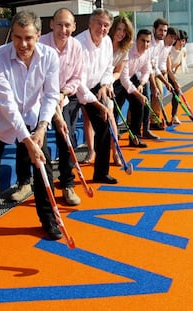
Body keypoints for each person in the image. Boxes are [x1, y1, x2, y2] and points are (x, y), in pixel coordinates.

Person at [0, 11, 63, 240]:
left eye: (28, 38)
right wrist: (27, 139)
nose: (22, 44)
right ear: (11, 35)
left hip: (33, 116)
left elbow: (51, 95)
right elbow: (7, 104)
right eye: (17, 37)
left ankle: (48, 218)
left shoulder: (50, 56)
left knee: (43, 164)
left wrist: (41, 129)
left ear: (39, 36)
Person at [10, 8, 84, 206]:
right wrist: (50, 102)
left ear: (74, 27)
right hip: (36, 98)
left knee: (66, 136)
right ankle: (24, 182)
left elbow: (77, 78)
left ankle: (67, 184)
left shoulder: (77, 47)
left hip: (62, 97)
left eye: (68, 25)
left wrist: (63, 94)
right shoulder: (39, 43)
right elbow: (32, 78)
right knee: (26, 137)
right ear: (51, 24)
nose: (63, 29)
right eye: (59, 24)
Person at [74, 8, 118, 184]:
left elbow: (109, 68)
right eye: (99, 23)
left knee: (103, 128)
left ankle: (101, 173)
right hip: (70, 89)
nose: (102, 28)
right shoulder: (78, 44)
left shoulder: (107, 41)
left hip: (92, 87)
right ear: (90, 23)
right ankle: (66, 180)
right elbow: (78, 81)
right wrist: (98, 104)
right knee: (67, 135)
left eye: (106, 25)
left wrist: (106, 84)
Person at [118, 29, 153, 148]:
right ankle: (112, 137)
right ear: (136, 40)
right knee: (115, 109)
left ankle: (135, 137)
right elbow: (123, 79)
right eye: (143, 41)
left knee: (138, 104)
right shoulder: (128, 51)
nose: (145, 44)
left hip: (130, 77)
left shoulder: (147, 52)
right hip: (117, 79)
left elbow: (146, 70)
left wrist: (141, 84)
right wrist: (138, 93)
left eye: (148, 42)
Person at [109, 15, 134, 162]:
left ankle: (115, 152)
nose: (121, 33)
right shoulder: (104, 43)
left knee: (111, 116)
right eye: (118, 29)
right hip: (91, 82)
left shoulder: (124, 49)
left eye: (124, 30)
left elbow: (118, 72)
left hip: (109, 82)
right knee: (88, 120)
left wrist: (109, 81)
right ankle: (91, 151)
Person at [146, 17, 173, 136]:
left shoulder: (160, 43)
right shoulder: (148, 42)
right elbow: (147, 66)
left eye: (165, 31)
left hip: (151, 71)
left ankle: (154, 121)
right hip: (138, 73)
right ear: (154, 29)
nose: (163, 33)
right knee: (142, 97)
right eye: (160, 30)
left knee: (159, 92)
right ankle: (132, 122)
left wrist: (165, 81)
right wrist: (152, 84)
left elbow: (155, 65)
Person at [150, 26, 179, 126]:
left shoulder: (168, 47)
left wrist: (164, 73)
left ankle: (154, 119)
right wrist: (164, 78)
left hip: (155, 71)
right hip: (148, 71)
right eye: (171, 37)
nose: (173, 40)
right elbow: (154, 64)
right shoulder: (159, 44)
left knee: (159, 93)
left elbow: (162, 62)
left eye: (175, 38)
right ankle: (133, 120)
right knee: (157, 92)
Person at [168, 29, 189, 124]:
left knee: (176, 92)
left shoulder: (184, 51)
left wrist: (175, 75)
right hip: (163, 72)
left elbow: (179, 64)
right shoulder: (169, 51)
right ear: (175, 40)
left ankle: (174, 116)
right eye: (180, 40)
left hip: (172, 73)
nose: (182, 42)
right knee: (157, 93)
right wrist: (175, 81)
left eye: (184, 40)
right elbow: (167, 69)